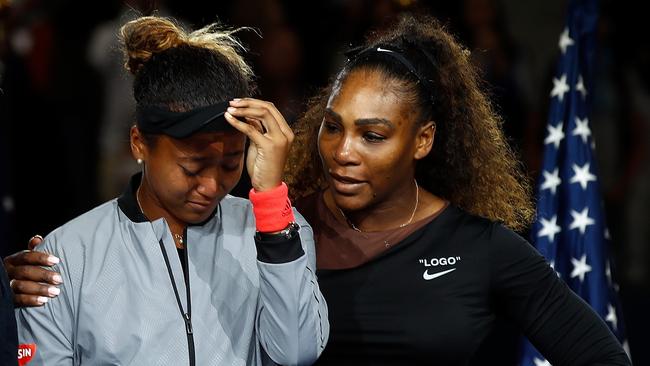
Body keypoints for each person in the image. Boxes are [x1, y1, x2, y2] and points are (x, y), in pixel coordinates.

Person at [6, 12, 630, 366]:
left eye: (374, 134)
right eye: (332, 127)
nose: (343, 151)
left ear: (423, 140)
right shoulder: (279, 221)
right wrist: (13, 277)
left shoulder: (482, 248)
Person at [5, 15, 328, 365]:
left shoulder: (277, 229)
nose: (211, 185)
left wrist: (271, 208)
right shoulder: (65, 256)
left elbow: (297, 352)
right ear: (139, 144)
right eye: (193, 166)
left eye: (230, 163)